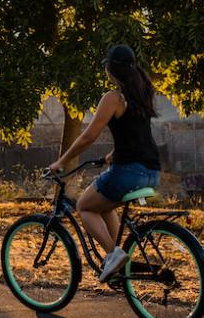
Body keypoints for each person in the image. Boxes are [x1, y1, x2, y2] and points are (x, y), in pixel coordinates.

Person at [48, 44, 161, 282]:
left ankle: (113, 255)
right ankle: (118, 264)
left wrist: (61, 161)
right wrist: (112, 154)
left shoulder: (113, 98)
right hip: (152, 171)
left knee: (85, 206)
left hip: (129, 171)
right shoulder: (141, 94)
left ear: (111, 70)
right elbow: (135, 134)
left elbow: (88, 136)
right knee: (105, 204)